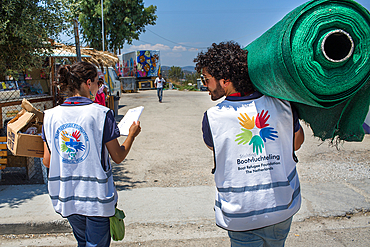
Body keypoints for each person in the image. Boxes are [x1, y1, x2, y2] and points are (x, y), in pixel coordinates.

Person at [194, 41, 304, 247]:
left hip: (242, 214)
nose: (205, 85)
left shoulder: (213, 117)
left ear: (225, 80)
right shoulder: (283, 104)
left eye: (206, 80)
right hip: (282, 208)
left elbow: (216, 149)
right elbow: (297, 143)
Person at [42, 61, 141, 247]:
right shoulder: (101, 114)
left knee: (83, 242)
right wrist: (132, 135)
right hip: (95, 199)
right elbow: (118, 156)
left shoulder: (50, 116)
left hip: (67, 198)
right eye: (98, 81)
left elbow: (47, 161)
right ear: (88, 83)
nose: (99, 86)